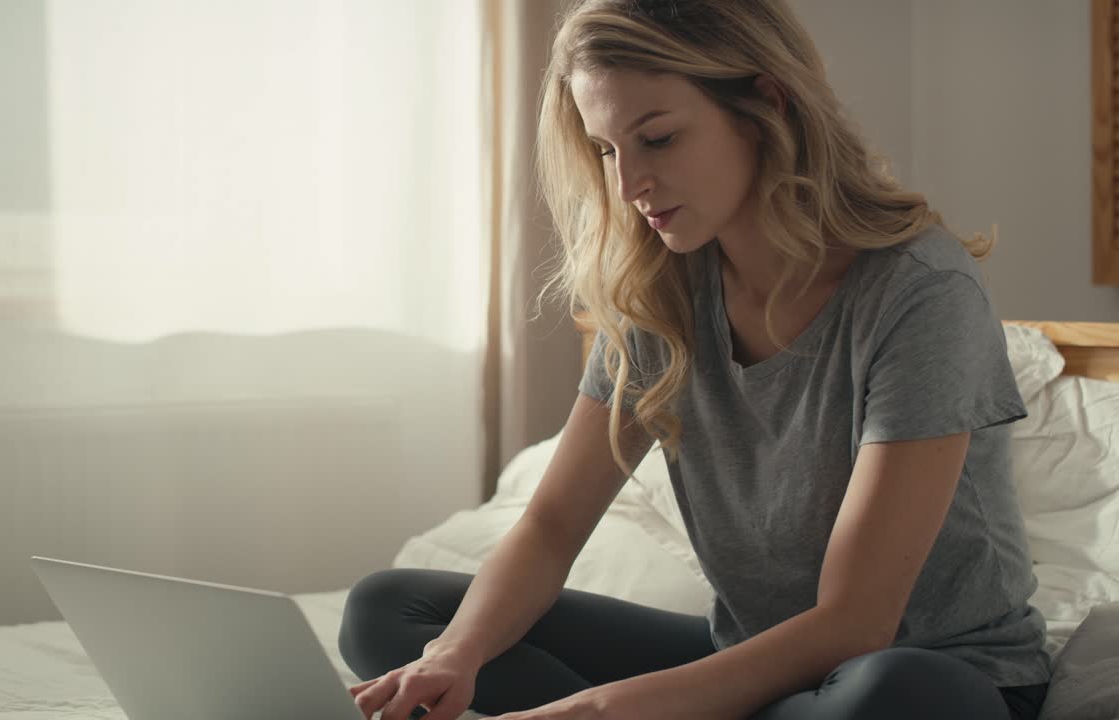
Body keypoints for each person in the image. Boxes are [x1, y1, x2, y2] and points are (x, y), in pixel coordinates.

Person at [337, 1, 1051, 718]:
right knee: (392, 614)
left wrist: (597, 710)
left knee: (887, 696)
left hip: (926, 675)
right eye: (608, 150)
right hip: (750, 663)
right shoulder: (660, 291)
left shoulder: (921, 290)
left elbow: (856, 625)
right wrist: (453, 656)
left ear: (766, 105)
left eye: (658, 139)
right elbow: (552, 526)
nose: (627, 186)